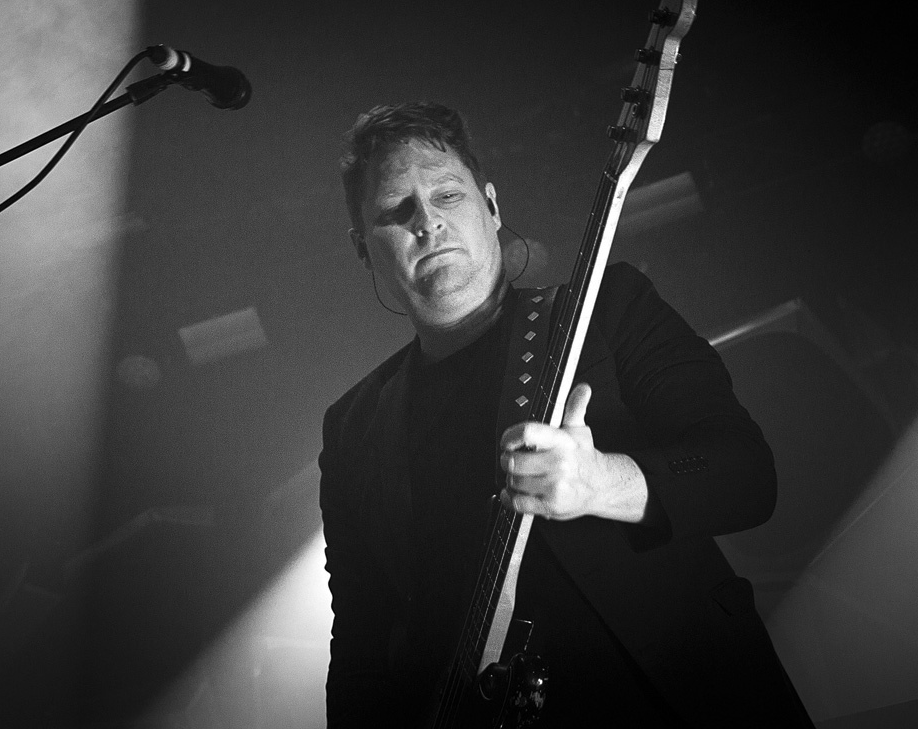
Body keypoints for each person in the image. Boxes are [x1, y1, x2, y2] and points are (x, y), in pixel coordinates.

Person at [318, 102, 813, 727]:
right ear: (362, 248)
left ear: (491, 207)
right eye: (396, 209)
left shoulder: (608, 309)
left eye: (447, 195)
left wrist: (601, 482)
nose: (428, 221)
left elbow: (746, 476)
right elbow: (361, 644)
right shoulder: (354, 426)